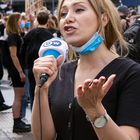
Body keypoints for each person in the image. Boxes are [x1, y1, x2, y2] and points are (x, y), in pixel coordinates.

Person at [32, 0, 140, 140]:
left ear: (103, 18)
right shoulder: (60, 72)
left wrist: (95, 111)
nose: (68, 18)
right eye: (63, 13)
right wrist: (40, 90)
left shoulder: (131, 73)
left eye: (79, 10)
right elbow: (43, 137)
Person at [20, 9, 53, 109]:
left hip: (31, 66)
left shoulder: (30, 33)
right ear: (47, 21)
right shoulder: (50, 35)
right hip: (45, 66)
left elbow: (22, 50)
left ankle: (34, 110)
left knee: (32, 89)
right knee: (45, 89)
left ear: (37, 20)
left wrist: (24, 64)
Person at [6, 12, 31, 133]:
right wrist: (20, 71)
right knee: (18, 97)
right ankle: (17, 123)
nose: (22, 22)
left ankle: (18, 121)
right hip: (17, 70)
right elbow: (13, 55)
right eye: (20, 20)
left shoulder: (16, 35)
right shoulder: (12, 37)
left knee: (19, 97)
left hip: (17, 69)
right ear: (15, 22)